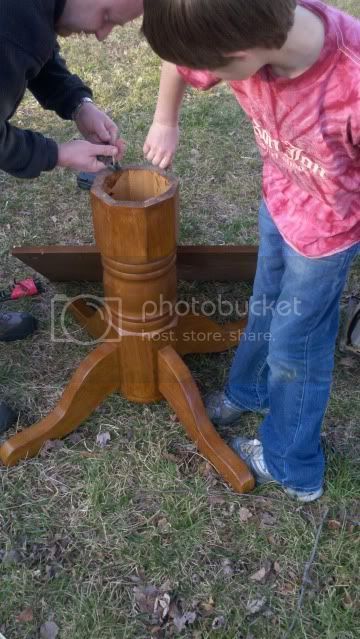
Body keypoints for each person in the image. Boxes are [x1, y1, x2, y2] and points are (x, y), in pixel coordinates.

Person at [142, 0, 360, 501]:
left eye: (213, 69)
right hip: (280, 196)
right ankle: (250, 389)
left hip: (326, 235)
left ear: (241, 51)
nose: (202, 77)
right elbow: (180, 58)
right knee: (264, 302)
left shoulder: (349, 78)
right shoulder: (242, 32)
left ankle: (293, 464)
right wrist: (164, 119)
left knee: (296, 346)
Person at [0, 0, 143, 432]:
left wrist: (79, 103)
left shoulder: (32, 13)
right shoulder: (11, 22)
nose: (102, 35)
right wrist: (57, 154)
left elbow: (35, 52)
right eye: (107, 19)